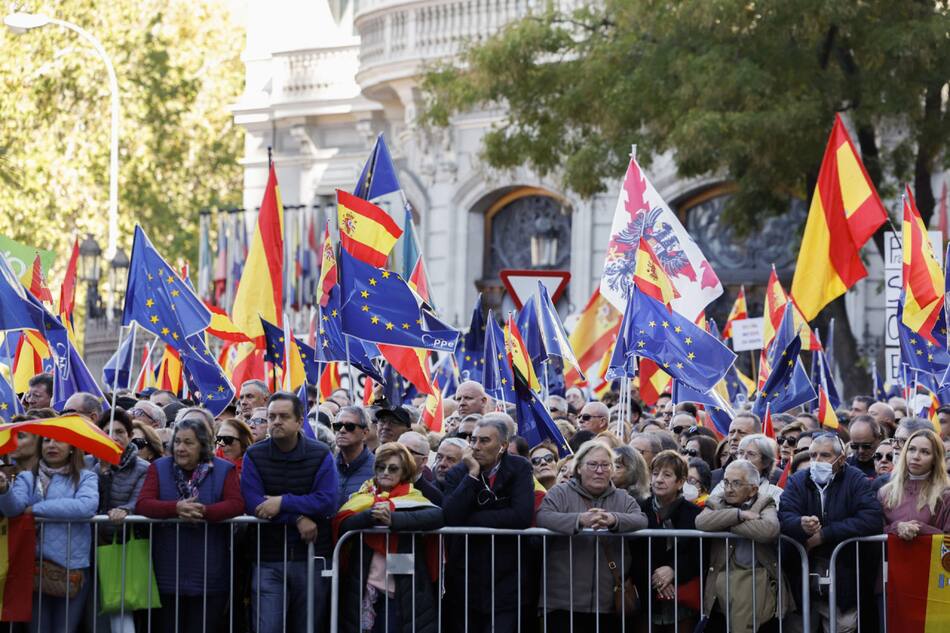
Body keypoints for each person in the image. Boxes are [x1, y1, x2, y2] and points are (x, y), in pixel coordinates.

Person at [135, 415, 244, 633]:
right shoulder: (159, 467)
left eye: (188, 442)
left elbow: (236, 504)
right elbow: (143, 504)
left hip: (209, 570)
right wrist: (175, 508)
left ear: (203, 445)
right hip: (167, 568)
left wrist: (203, 511)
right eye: (177, 442)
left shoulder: (224, 469)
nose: (181, 448)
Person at [241, 392, 339, 633]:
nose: (276, 421)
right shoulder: (255, 454)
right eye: (272, 416)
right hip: (268, 557)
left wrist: (283, 502)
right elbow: (254, 503)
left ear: (299, 421)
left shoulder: (320, 454)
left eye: (284, 416)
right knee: (268, 626)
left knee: (307, 627)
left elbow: (328, 501)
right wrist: (296, 517)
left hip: (311, 557)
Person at [535, 440, 647, 631]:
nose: (599, 470)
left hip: (608, 602)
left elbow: (641, 520)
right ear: (578, 468)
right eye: (593, 464)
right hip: (563, 601)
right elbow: (544, 517)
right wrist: (579, 520)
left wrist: (614, 520)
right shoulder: (559, 493)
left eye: (606, 465)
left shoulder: (623, 498)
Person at [334, 443, 443, 633]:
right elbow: (342, 523)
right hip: (363, 579)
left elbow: (436, 516)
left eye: (393, 468)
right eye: (380, 467)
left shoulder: (413, 496)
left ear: (404, 472)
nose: (385, 472)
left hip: (400, 580)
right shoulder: (363, 495)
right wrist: (370, 515)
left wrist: (393, 518)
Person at [778, 432, 882, 633]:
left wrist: (825, 534)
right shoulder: (798, 480)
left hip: (844, 573)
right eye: (813, 455)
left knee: (843, 627)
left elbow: (871, 518)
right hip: (803, 575)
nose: (817, 461)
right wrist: (801, 524)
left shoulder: (856, 480)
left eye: (824, 455)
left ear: (841, 459)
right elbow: (784, 515)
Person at [441, 419, 536, 633]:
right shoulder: (458, 473)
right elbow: (451, 516)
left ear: (502, 446)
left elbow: (521, 516)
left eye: (484, 441)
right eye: (473, 440)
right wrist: (472, 475)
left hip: (507, 577)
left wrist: (472, 520)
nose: (476, 446)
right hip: (465, 577)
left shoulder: (519, 467)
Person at [0, 435, 98, 633]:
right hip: (33, 565)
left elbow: (86, 507)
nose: (52, 445)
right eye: (46, 440)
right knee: (38, 629)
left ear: (72, 447)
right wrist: (4, 490)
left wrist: (36, 509)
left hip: (72, 567)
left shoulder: (86, 476)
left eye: (59, 440)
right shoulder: (28, 477)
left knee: (65, 629)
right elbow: (14, 509)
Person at [695, 460, 793, 632]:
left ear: (753, 489)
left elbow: (769, 530)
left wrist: (723, 522)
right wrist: (738, 515)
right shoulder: (717, 499)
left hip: (758, 588)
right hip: (721, 589)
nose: (729, 488)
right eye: (726, 482)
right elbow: (702, 522)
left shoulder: (764, 502)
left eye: (736, 483)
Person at [635, 449, 703, 633]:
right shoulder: (639, 509)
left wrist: (673, 570)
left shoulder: (694, 514)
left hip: (681, 598)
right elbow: (634, 551)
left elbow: (699, 555)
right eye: (655, 474)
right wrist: (658, 579)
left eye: (667, 475)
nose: (658, 479)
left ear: (680, 482)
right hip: (647, 594)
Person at [879, 429, 950, 537]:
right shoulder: (885, 492)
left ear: (935, 459)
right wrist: (896, 527)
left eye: (925, 452)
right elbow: (875, 529)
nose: (916, 456)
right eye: (911, 449)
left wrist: (919, 529)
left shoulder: (945, 494)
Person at [710, 434, 783, 504]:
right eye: (741, 453)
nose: (743, 458)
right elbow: (709, 514)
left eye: (751, 454)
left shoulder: (775, 493)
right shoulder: (722, 486)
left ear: (765, 462)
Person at [334, 405, 375, 504]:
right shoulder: (326, 466)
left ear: (365, 433)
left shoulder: (378, 468)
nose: (342, 430)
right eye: (338, 426)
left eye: (350, 427)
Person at [711, 413, 761, 487]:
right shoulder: (714, 477)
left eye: (742, 433)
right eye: (731, 432)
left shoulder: (774, 476)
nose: (734, 437)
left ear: (757, 437)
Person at [398, 431, 443, 504]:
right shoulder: (379, 482)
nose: (399, 455)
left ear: (423, 461)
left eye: (408, 451)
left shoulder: (433, 496)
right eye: (396, 449)